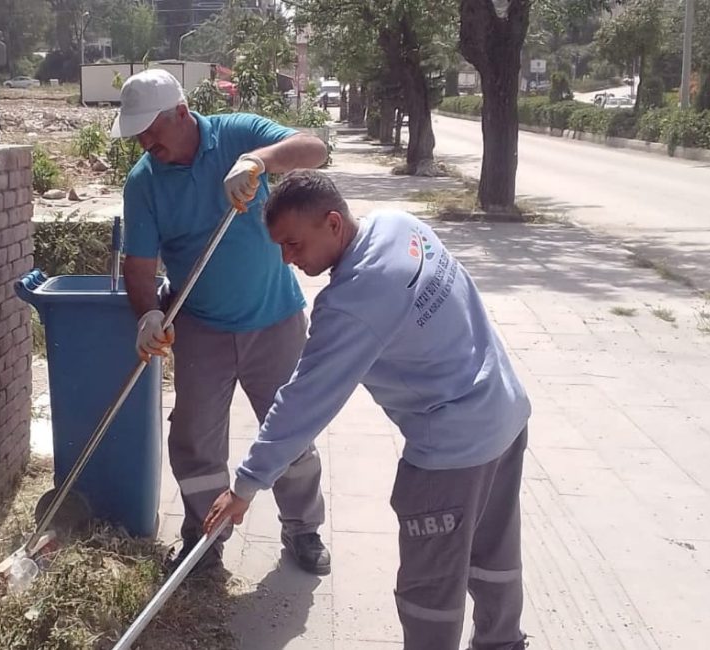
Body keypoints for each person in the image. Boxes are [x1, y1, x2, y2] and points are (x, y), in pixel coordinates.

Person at [205, 170, 532, 649]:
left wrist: (246, 485)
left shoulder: (352, 301)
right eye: (280, 246)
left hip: (452, 453)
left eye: (294, 244)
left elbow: (304, 401)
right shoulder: (399, 225)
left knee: (430, 587)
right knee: (494, 554)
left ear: (333, 223)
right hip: (505, 413)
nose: (287, 258)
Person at [110, 69, 332, 575]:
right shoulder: (143, 182)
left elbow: (314, 148)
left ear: (183, 114)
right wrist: (146, 312)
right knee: (194, 439)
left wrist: (258, 161)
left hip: (274, 321)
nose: (145, 142)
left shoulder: (237, 133)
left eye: (151, 130)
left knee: (290, 433)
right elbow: (139, 267)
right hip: (201, 329)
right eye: (138, 133)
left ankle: (303, 529)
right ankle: (204, 539)